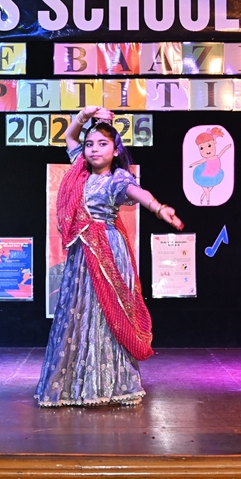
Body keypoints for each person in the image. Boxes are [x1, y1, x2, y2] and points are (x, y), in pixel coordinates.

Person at [35, 105, 184, 408]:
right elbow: (71, 136)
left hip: (107, 251)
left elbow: (137, 193)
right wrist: (84, 115)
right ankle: (74, 386)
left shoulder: (117, 178)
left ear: (116, 150)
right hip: (82, 253)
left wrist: (159, 209)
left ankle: (113, 384)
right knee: (79, 313)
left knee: (107, 314)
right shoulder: (80, 170)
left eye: (102, 144)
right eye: (90, 144)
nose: (94, 149)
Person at [189, 126, 231, 205]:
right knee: (206, 190)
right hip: (204, 176)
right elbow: (199, 161)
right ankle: (207, 200)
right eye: (201, 148)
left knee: (209, 189)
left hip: (215, 175)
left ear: (214, 143)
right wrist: (192, 164)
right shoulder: (206, 159)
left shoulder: (217, 157)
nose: (206, 150)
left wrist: (228, 146)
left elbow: (223, 151)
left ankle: (203, 197)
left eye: (209, 146)